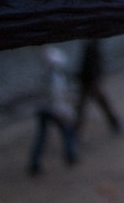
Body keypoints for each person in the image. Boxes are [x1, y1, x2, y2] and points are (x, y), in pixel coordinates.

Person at [26, 46, 80, 175]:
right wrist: (64, 112)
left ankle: (34, 163)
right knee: (66, 132)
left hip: (42, 109)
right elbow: (56, 98)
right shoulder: (55, 78)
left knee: (42, 137)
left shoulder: (44, 74)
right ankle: (70, 155)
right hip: (53, 110)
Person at [75, 37, 123, 136]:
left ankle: (116, 124)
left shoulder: (93, 48)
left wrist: (92, 79)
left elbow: (93, 66)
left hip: (91, 81)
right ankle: (75, 130)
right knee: (82, 107)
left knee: (98, 104)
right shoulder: (90, 47)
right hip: (87, 81)